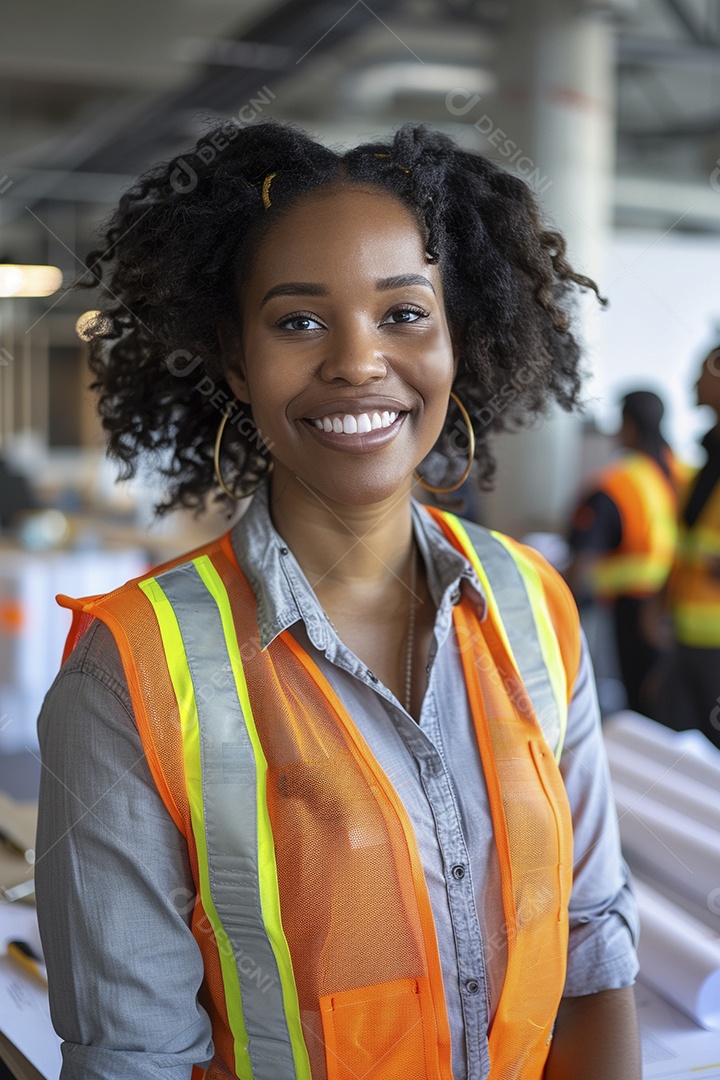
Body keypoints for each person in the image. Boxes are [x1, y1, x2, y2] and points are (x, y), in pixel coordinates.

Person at [35, 120, 641, 1080]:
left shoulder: (534, 604)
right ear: (235, 362)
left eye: (404, 314)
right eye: (299, 321)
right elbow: (132, 1061)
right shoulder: (130, 674)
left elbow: (589, 950)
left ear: (457, 340)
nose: (359, 362)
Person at [566, 390, 679, 713]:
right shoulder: (674, 473)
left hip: (631, 611)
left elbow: (580, 565)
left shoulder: (615, 483)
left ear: (628, 425)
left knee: (633, 704)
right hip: (674, 605)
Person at [652, 345, 720, 749]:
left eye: (704, 372)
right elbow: (684, 548)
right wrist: (658, 605)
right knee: (674, 750)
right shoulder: (703, 464)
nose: (694, 382)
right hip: (684, 636)